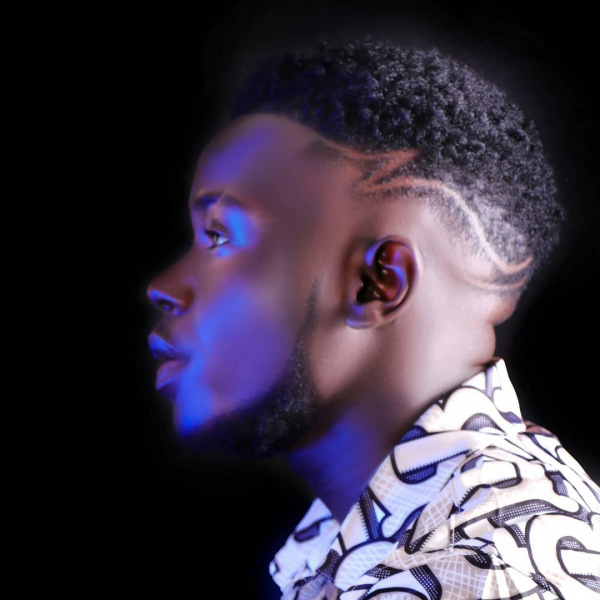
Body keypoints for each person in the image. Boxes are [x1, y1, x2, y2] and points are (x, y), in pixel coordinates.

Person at [146, 39, 600, 599]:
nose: (163, 287)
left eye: (219, 237)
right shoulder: (390, 534)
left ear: (377, 283)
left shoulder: (478, 575)